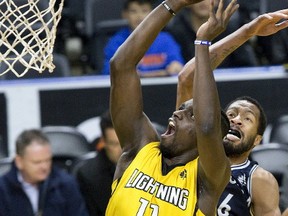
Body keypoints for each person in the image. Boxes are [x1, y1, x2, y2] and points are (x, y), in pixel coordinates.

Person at [106, 0, 239, 215]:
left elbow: (207, 127)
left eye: (190, 115)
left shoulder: (207, 180)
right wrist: (172, 5)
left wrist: (202, 44)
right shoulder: (140, 148)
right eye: (181, 109)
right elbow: (121, 66)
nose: (177, 113)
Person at [175, 5, 288, 216]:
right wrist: (247, 32)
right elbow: (187, 78)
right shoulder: (191, 151)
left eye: (247, 118)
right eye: (232, 114)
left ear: (257, 140)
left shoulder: (258, 180)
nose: (236, 120)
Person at [0, 129, 89, 216]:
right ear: (19, 162)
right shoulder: (3, 189)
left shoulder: (66, 185)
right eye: (37, 162)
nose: (44, 167)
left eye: (47, 160)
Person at [101, 0, 184, 77]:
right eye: (133, 11)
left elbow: (177, 66)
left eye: (144, 11)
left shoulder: (166, 40)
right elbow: (109, 72)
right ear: (125, 14)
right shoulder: (116, 42)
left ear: (153, 13)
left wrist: (176, 67)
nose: (139, 16)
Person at [166, 0, 258, 67]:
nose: (203, 2)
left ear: (218, 1)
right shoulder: (176, 31)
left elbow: (247, 65)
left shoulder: (230, 29)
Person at [76, 110, 122, 216]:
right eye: (114, 144)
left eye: (124, 142)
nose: (121, 149)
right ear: (103, 142)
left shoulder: (149, 167)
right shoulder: (88, 175)